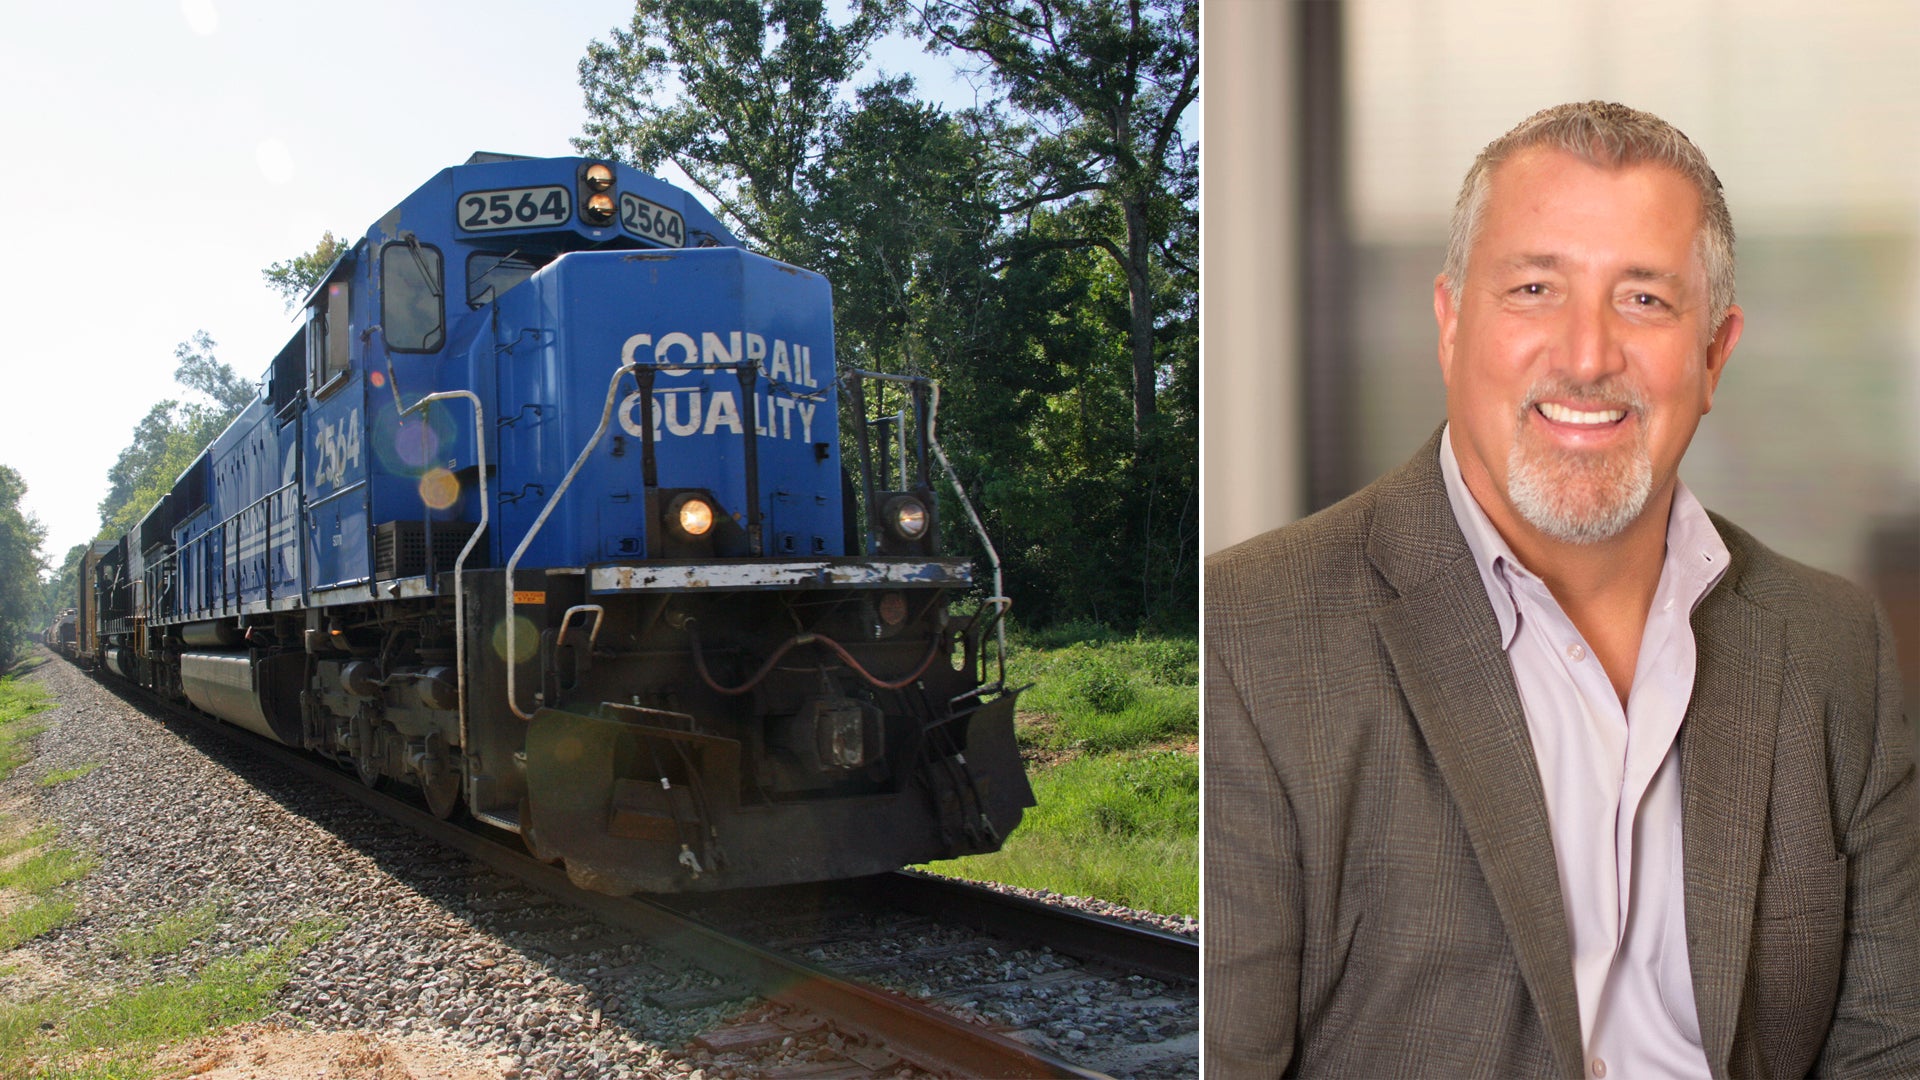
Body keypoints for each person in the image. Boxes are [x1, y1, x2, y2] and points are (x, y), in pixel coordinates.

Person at [1204, 101, 1920, 1078]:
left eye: (1645, 301)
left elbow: (1890, 1046)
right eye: (1536, 287)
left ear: (1714, 354)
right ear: (1452, 323)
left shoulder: (1835, 645)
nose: (1586, 357)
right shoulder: (1248, 637)